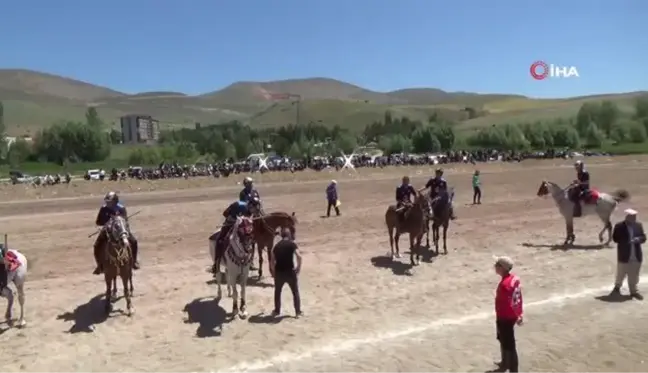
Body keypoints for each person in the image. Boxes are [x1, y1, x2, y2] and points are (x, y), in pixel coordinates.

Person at [93, 191, 139, 274]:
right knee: (96, 245)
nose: (107, 203)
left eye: (109, 202)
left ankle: (134, 262)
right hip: (108, 230)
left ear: (115, 201)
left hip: (120, 230)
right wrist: (107, 223)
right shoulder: (103, 209)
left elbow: (124, 221)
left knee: (134, 242)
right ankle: (99, 265)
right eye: (106, 202)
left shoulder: (121, 208)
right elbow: (98, 222)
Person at [493, 256, 523, 373]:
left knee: (509, 345)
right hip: (506, 316)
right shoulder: (513, 279)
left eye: (497, 264)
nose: (495, 266)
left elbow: (512, 302)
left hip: (505, 317)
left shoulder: (505, 285)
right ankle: (505, 363)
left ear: (502, 268)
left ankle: (513, 370)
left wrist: (518, 315)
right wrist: (519, 313)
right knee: (503, 339)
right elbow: (518, 298)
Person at [611, 208, 645, 300]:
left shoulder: (638, 225)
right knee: (621, 273)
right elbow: (615, 238)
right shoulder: (619, 226)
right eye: (632, 217)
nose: (634, 218)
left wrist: (637, 239)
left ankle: (633, 291)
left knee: (634, 274)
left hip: (636, 254)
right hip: (624, 253)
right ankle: (617, 288)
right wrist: (626, 241)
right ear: (627, 217)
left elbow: (643, 237)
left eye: (635, 217)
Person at [270, 228, 303, 318]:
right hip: (290, 272)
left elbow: (272, 261)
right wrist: (298, 268)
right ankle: (297, 312)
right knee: (295, 292)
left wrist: (273, 272)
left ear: (281, 235)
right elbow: (299, 257)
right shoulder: (292, 244)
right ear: (289, 235)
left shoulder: (276, 246)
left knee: (277, 292)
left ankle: (277, 310)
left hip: (279, 272)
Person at [213, 197, 251, 272]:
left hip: (239, 225)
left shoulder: (247, 208)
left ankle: (249, 260)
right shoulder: (237, 205)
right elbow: (225, 213)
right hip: (230, 224)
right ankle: (216, 263)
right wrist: (234, 219)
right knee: (220, 240)